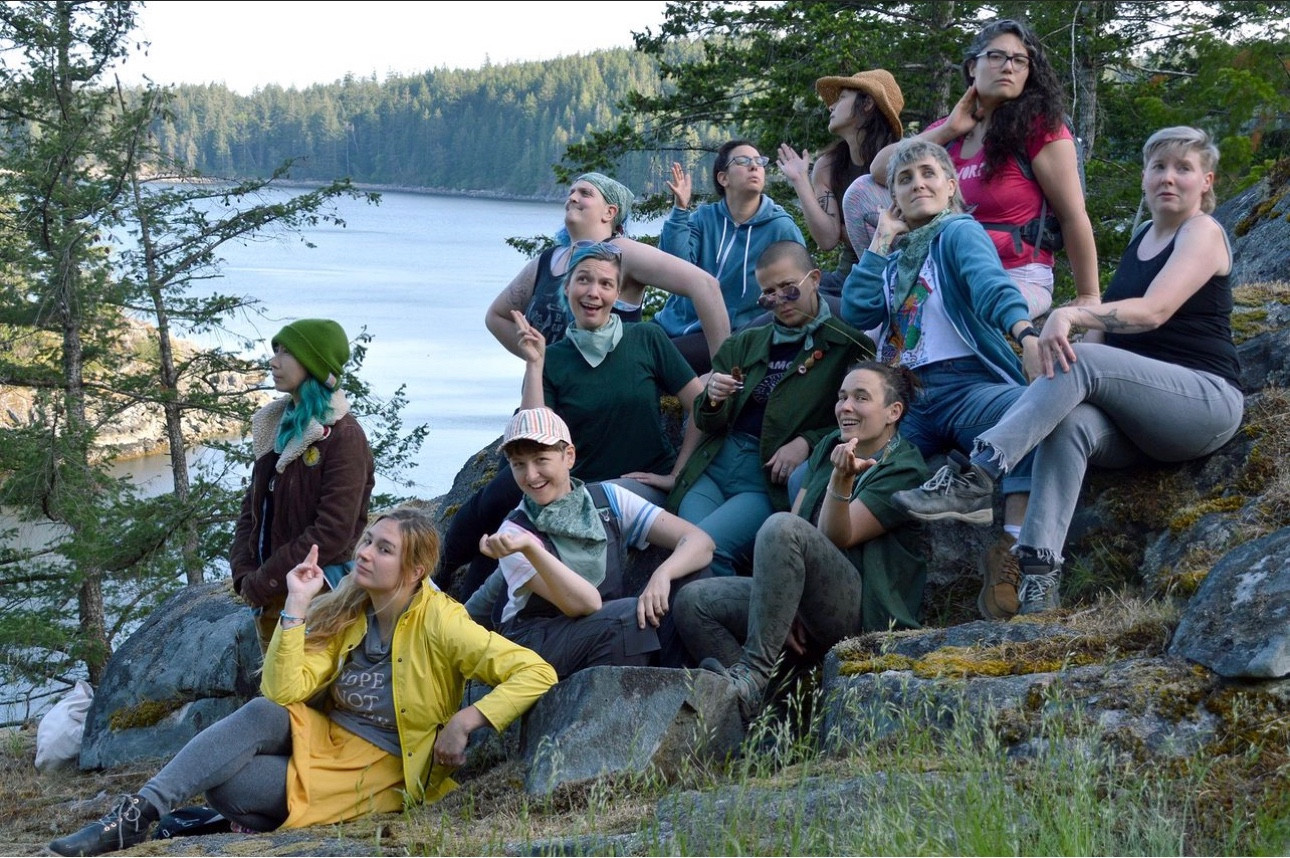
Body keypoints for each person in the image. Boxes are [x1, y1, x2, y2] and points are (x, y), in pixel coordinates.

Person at [48, 507, 557, 857]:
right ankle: (136, 815)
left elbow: (535, 671)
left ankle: (228, 810)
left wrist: (465, 722)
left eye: (383, 549)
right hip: (323, 738)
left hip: (380, 769)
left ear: (414, 569)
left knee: (226, 787)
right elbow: (283, 693)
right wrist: (295, 605)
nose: (364, 553)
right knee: (260, 714)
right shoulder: (349, 609)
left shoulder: (443, 623)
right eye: (367, 540)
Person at [888, 126, 1244, 615]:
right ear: (1144, 176)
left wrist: (1071, 314)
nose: (1168, 178)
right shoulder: (1144, 238)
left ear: (1206, 180)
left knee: (1084, 362)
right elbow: (1105, 339)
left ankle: (979, 473)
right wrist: (1054, 380)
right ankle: (1039, 577)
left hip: (1204, 402)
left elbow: (1154, 311)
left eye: (1183, 168)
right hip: (1142, 420)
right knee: (1068, 418)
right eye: (1158, 167)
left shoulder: (1202, 231)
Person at [841, 137, 1042, 621]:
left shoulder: (958, 232)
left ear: (951, 185)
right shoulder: (892, 255)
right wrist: (880, 240)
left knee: (1031, 410)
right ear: (893, 198)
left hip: (966, 385)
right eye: (905, 180)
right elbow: (855, 309)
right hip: (906, 399)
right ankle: (847, 586)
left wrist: (1026, 333)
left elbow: (990, 286)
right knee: (841, 460)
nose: (918, 184)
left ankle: (1010, 550)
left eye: (929, 174)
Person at [436, 242, 705, 601]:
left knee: (529, 531)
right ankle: (457, 612)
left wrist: (676, 476)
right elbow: (534, 436)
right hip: (571, 492)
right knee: (496, 562)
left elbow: (701, 409)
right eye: (584, 280)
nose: (594, 292)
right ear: (567, 288)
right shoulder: (555, 357)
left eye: (606, 284)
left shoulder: (646, 339)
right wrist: (534, 363)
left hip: (633, 489)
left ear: (618, 292)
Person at [674, 362, 930, 720]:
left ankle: (753, 674)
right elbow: (797, 519)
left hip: (867, 613)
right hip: (807, 599)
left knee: (780, 528)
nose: (846, 407)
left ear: (893, 412)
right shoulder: (830, 444)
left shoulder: (905, 470)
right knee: (693, 601)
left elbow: (837, 536)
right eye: (842, 397)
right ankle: (766, 716)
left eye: (861, 398)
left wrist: (842, 480)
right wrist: (784, 599)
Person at [636, 241, 872, 578]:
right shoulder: (746, 342)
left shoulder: (846, 345)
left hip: (762, 478)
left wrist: (806, 441)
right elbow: (705, 419)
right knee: (686, 551)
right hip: (714, 465)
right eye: (768, 295)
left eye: (789, 290)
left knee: (705, 550)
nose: (779, 302)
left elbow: (862, 421)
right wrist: (713, 397)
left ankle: (737, 626)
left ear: (815, 279)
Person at [870, 18, 1100, 317]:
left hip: (1015, 275)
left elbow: (1073, 215)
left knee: (949, 312)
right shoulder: (951, 131)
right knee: (883, 318)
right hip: (948, 269)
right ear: (971, 67)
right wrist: (948, 129)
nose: (1008, 67)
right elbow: (878, 170)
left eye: (1020, 60)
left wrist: (1089, 295)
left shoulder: (1040, 129)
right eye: (996, 56)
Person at [478, 407, 715, 678]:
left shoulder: (607, 499)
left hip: (604, 624)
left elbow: (700, 542)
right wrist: (531, 549)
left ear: (569, 456)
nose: (531, 475)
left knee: (690, 575)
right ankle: (624, 701)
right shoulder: (515, 534)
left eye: (541, 460)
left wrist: (663, 574)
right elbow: (583, 605)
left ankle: (682, 682)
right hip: (538, 641)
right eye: (519, 464)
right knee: (626, 619)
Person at [484, 171, 730, 372]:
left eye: (585, 193)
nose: (572, 197)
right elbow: (497, 316)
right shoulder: (548, 260)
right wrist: (542, 361)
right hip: (550, 399)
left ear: (609, 212)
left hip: (606, 403)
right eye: (571, 192)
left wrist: (721, 371)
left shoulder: (622, 252)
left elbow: (705, 285)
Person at [230, 318, 375, 653]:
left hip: (319, 596)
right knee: (277, 694)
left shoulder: (343, 436)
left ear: (313, 363)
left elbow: (332, 532)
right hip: (271, 595)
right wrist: (243, 573)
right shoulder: (277, 426)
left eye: (286, 352)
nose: (273, 360)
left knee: (301, 695)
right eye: (275, 350)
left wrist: (265, 579)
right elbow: (251, 510)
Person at [656, 140, 807, 373]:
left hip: (736, 336)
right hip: (677, 326)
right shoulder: (703, 218)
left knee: (652, 358)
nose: (754, 167)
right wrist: (680, 210)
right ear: (723, 178)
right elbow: (675, 268)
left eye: (759, 162)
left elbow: (800, 285)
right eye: (743, 161)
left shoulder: (780, 228)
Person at [777, 69, 904, 298]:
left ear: (867, 104)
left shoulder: (900, 160)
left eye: (842, 98)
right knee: (785, 291)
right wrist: (800, 180)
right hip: (848, 278)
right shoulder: (828, 166)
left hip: (896, 276)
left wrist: (847, 229)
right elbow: (827, 239)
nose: (831, 106)